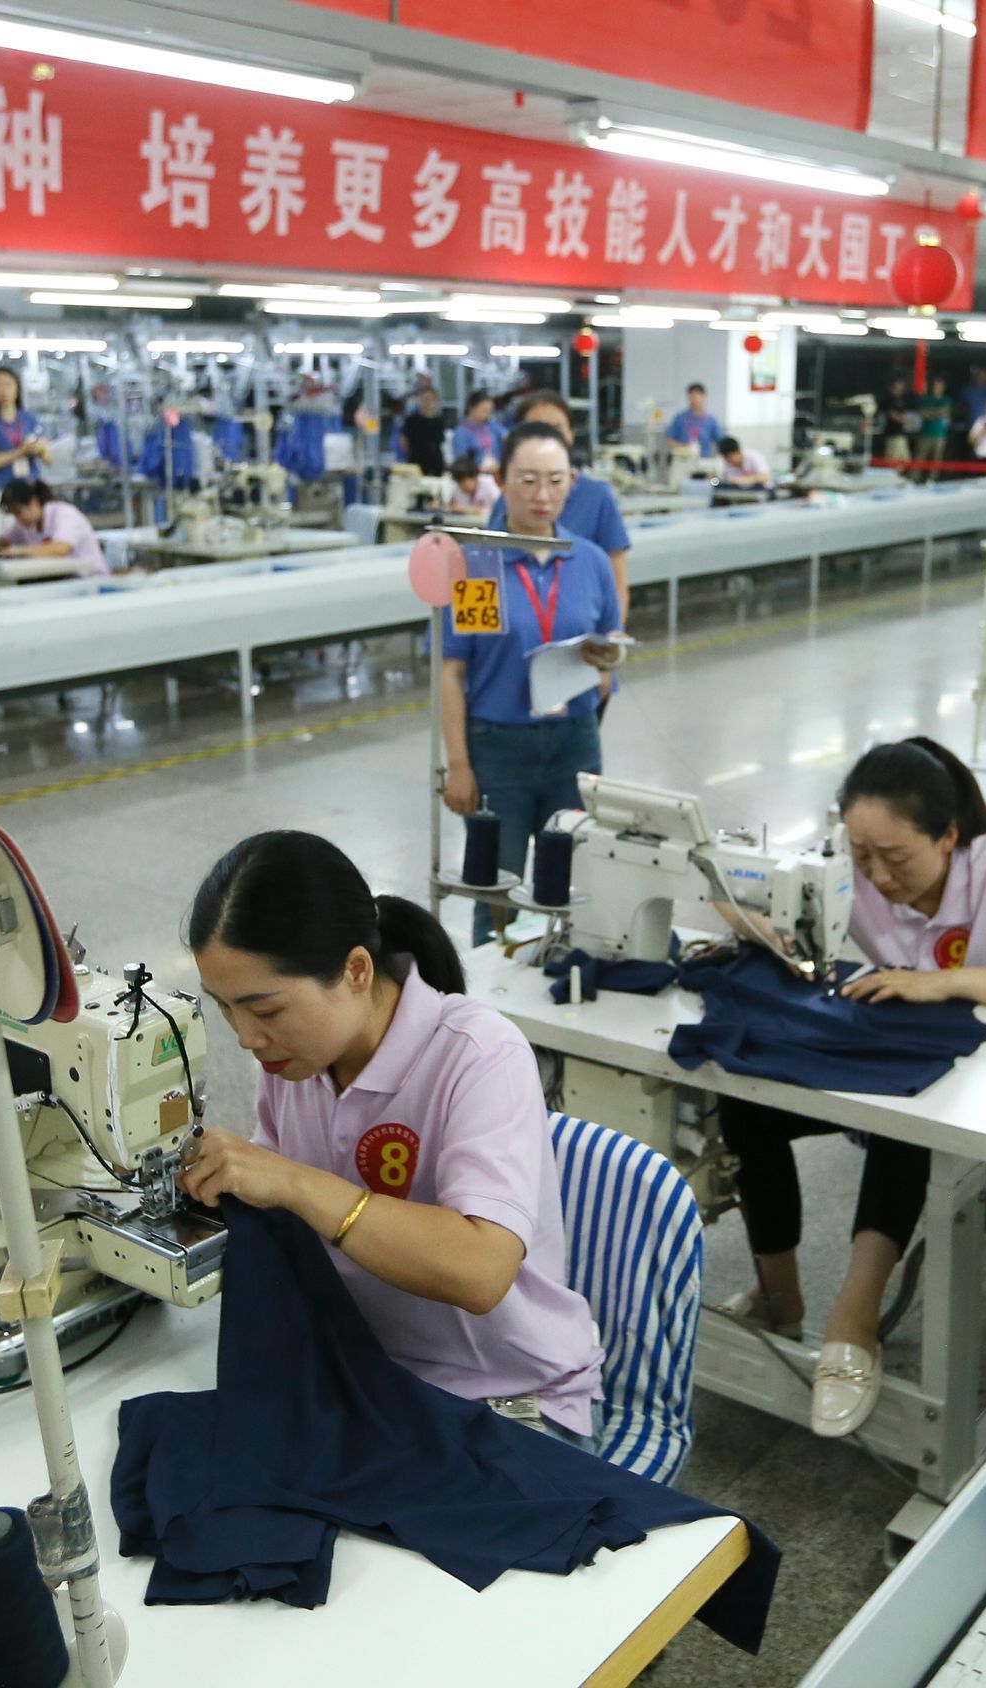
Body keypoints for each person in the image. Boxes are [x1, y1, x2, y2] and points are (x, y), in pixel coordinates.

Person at [722, 738, 986, 1437]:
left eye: (895, 858)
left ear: (949, 837)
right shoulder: (849, 865)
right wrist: (750, 915)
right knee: (747, 1102)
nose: (875, 876)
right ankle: (779, 1298)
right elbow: (750, 900)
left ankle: (854, 1324)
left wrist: (945, 982)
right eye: (860, 855)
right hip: (899, 1057)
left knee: (909, 1122)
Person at [180, 831, 606, 1444]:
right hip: (367, 1376)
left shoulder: (479, 1055)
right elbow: (281, 1210)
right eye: (225, 1008)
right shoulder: (292, 1062)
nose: (245, 1037)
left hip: (505, 1395)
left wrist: (294, 1182)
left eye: (266, 1011)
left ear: (356, 970)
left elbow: (482, 1271)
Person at [441, 421, 624, 942]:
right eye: (526, 480)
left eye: (555, 481)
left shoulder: (590, 561)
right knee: (494, 887)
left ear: (572, 483)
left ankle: (561, 973)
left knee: (569, 881)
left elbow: (608, 646)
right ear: (500, 480)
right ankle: (489, 982)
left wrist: (607, 659)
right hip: (497, 749)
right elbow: (453, 671)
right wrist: (459, 765)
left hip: (574, 744)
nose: (542, 495)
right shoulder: (478, 565)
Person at [488, 390, 632, 621]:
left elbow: (616, 580)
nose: (542, 497)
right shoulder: (504, 508)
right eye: (528, 480)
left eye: (556, 428)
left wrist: (614, 631)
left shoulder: (592, 553)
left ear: (571, 434)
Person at [0, 479, 107, 578]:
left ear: (34, 502)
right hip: (62, 580)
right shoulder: (23, 524)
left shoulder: (65, 514)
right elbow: (3, 542)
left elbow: (60, 549)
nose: (17, 518)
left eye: (19, 512)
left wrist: (18, 551)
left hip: (90, 579)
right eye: (14, 514)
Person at [0, 365, 46, 490]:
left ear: (17, 388)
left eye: (8, 385)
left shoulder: (28, 418)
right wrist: (20, 452)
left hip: (30, 486)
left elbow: (48, 458)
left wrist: (38, 448)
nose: (3, 391)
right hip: (1, 489)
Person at [397, 384, 451, 476]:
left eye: (431, 400)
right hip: (416, 467)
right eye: (425, 399)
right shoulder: (411, 421)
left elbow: (442, 444)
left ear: (436, 401)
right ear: (419, 401)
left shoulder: (439, 422)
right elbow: (404, 443)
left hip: (437, 467)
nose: (428, 403)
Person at [451, 390, 506, 470]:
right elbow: (461, 463)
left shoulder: (492, 426)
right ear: (471, 408)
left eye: (490, 411)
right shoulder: (461, 433)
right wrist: (480, 468)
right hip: (474, 474)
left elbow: (508, 436)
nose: (488, 414)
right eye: (484, 410)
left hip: (495, 471)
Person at [666, 382, 724, 455]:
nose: (695, 400)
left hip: (703, 458)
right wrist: (685, 448)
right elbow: (670, 440)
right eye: (692, 397)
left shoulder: (711, 420)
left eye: (697, 397)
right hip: (683, 458)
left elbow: (721, 440)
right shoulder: (680, 418)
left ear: (704, 396)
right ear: (688, 397)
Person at [915, 379, 953, 481]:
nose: (936, 387)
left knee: (936, 460)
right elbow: (922, 413)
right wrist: (935, 413)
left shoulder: (945, 400)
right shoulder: (925, 399)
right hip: (925, 433)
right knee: (920, 458)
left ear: (943, 387)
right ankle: (914, 478)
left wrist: (930, 413)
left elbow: (943, 412)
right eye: (935, 385)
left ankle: (931, 480)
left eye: (938, 385)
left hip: (939, 434)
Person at [881, 377, 914, 465]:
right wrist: (905, 419)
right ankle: (892, 473)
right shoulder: (888, 399)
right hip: (892, 435)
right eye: (897, 387)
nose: (900, 389)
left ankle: (897, 473)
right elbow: (891, 414)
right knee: (892, 460)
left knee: (905, 460)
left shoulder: (901, 400)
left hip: (902, 434)